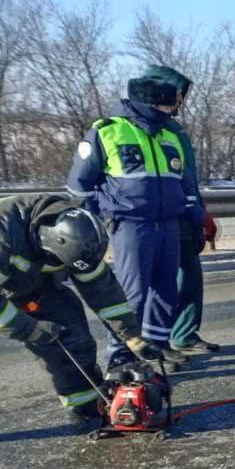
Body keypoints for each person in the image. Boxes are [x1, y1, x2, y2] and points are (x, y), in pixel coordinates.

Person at [67, 75, 203, 369]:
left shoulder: (170, 137)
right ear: (151, 104)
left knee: (167, 291)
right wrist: (95, 224)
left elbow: (186, 187)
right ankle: (121, 358)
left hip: (168, 225)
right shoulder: (108, 132)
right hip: (131, 226)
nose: (173, 111)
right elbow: (79, 186)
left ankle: (154, 349)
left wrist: (195, 222)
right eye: (169, 106)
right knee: (133, 295)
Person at [0, 195, 161, 427]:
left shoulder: (78, 236)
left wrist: (132, 336)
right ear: (45, 241)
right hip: (13, 283)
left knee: (70, 331)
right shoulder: (6, 232)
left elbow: (104, 292)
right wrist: (29, 329)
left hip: (32, 284)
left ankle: (86, 406)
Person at [138, 64, 220, 355]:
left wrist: (200, 213)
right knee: (159, 285)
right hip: (157, 220)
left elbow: (186, 177)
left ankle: (183, 334)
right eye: (178, 95)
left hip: (184, 214)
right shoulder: (144, 128)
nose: (181, 102)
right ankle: (151, 346)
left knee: (189, 278)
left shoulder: (174, 130)